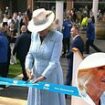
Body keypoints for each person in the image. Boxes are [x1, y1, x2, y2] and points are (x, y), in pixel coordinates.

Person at [25, 8, 66, 105]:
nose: (39, 31)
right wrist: (28, 68)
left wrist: (43, 76)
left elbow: (54, 61)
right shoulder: (34, 35)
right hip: (35, 75)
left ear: (48, 25)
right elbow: (30, 54)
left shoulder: (57, 37)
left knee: (50, 101)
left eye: (41, 28)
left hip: (51, 76)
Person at [0, 25, 9, 89]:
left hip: (1, 58)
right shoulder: (5, 38)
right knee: (3, 73)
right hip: (5, 58)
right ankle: (3, 85)